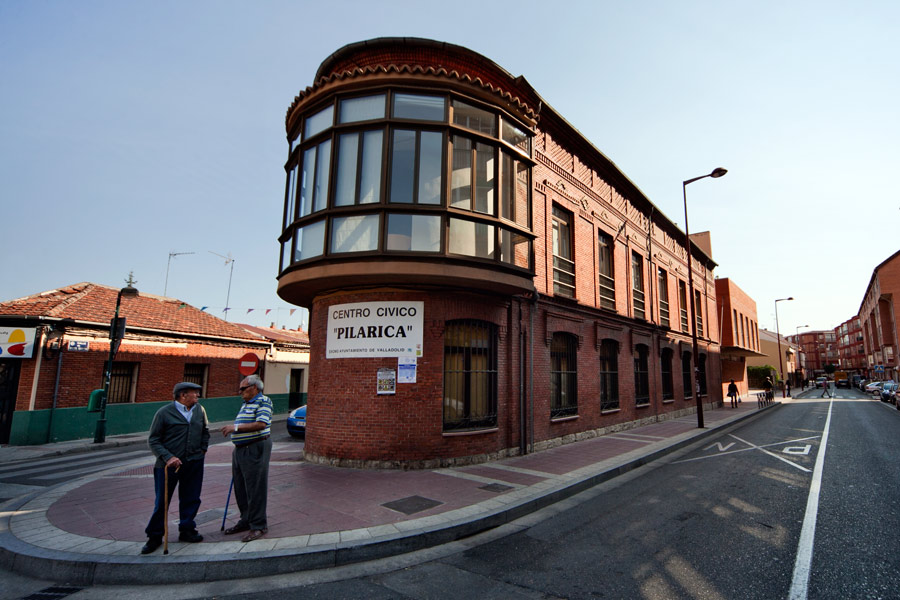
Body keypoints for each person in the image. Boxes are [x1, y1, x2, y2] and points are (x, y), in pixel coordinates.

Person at [141, 381, 209, 554]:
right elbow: (153, 440)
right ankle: (155, 536)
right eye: (195, 392)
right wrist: (168, 457)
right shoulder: (164, 413)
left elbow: (205, 431)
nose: (198, 395)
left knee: (191, 498)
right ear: (183, 395)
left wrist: (202, 450)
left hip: (194, 462)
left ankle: (187, 529)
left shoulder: (199, 410)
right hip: (167, 466)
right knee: (162, 501)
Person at [220, 374, 273, 542]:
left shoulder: (264, 401)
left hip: (255, 447)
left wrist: (235, 428)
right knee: (240, 487)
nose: (240, 392)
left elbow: (261, 424)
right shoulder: (246, 403)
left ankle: (259, 525)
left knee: (255, 488)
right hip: (241, 449)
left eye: (243, 388)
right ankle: (246, 520)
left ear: (254, 388)